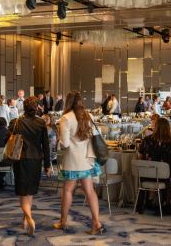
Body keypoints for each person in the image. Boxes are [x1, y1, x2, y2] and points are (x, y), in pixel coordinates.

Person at [55, 90, 102, 235]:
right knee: (89, 191)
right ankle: (96, 222)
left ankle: (63, 221)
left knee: (68, 190)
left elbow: (66, 144)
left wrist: (60, 143)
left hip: (72, 160)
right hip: (87, 159)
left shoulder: (66, 118)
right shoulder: (88, 115)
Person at [4, 97, 50, 236]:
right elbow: (46, 146)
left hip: (21, 159)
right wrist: (47, 165)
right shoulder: (41, 123)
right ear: (36, 108)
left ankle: (29, 219)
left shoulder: (16, 122)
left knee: (23, 190)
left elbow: (5, 139)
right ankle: (25, 218)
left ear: (23, 107)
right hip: (36, 160)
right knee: (30, 190)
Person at [137, 118, 171, 215]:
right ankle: (168, 203)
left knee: (153, 171)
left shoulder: (147, 139)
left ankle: (149, 200)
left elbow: (139, 156)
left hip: (149, 175)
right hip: (166, 177)